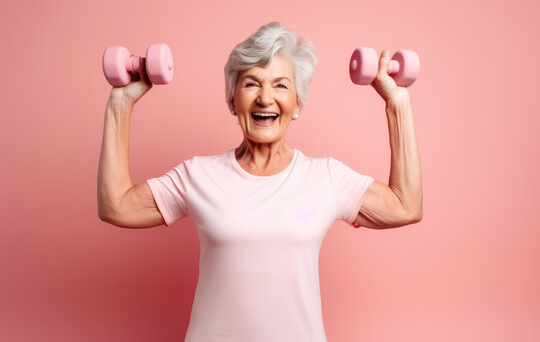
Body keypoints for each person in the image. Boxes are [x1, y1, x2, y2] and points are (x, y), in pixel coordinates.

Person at [97, 21, 423, 341]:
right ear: (232, 100)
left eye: (280, 85)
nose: (265, 98)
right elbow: (117, 207)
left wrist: (398, 103)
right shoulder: (198, 175)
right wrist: (120, 104)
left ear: (297, 106)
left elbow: (404, 206)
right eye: (251, 83)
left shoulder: (325, 177)